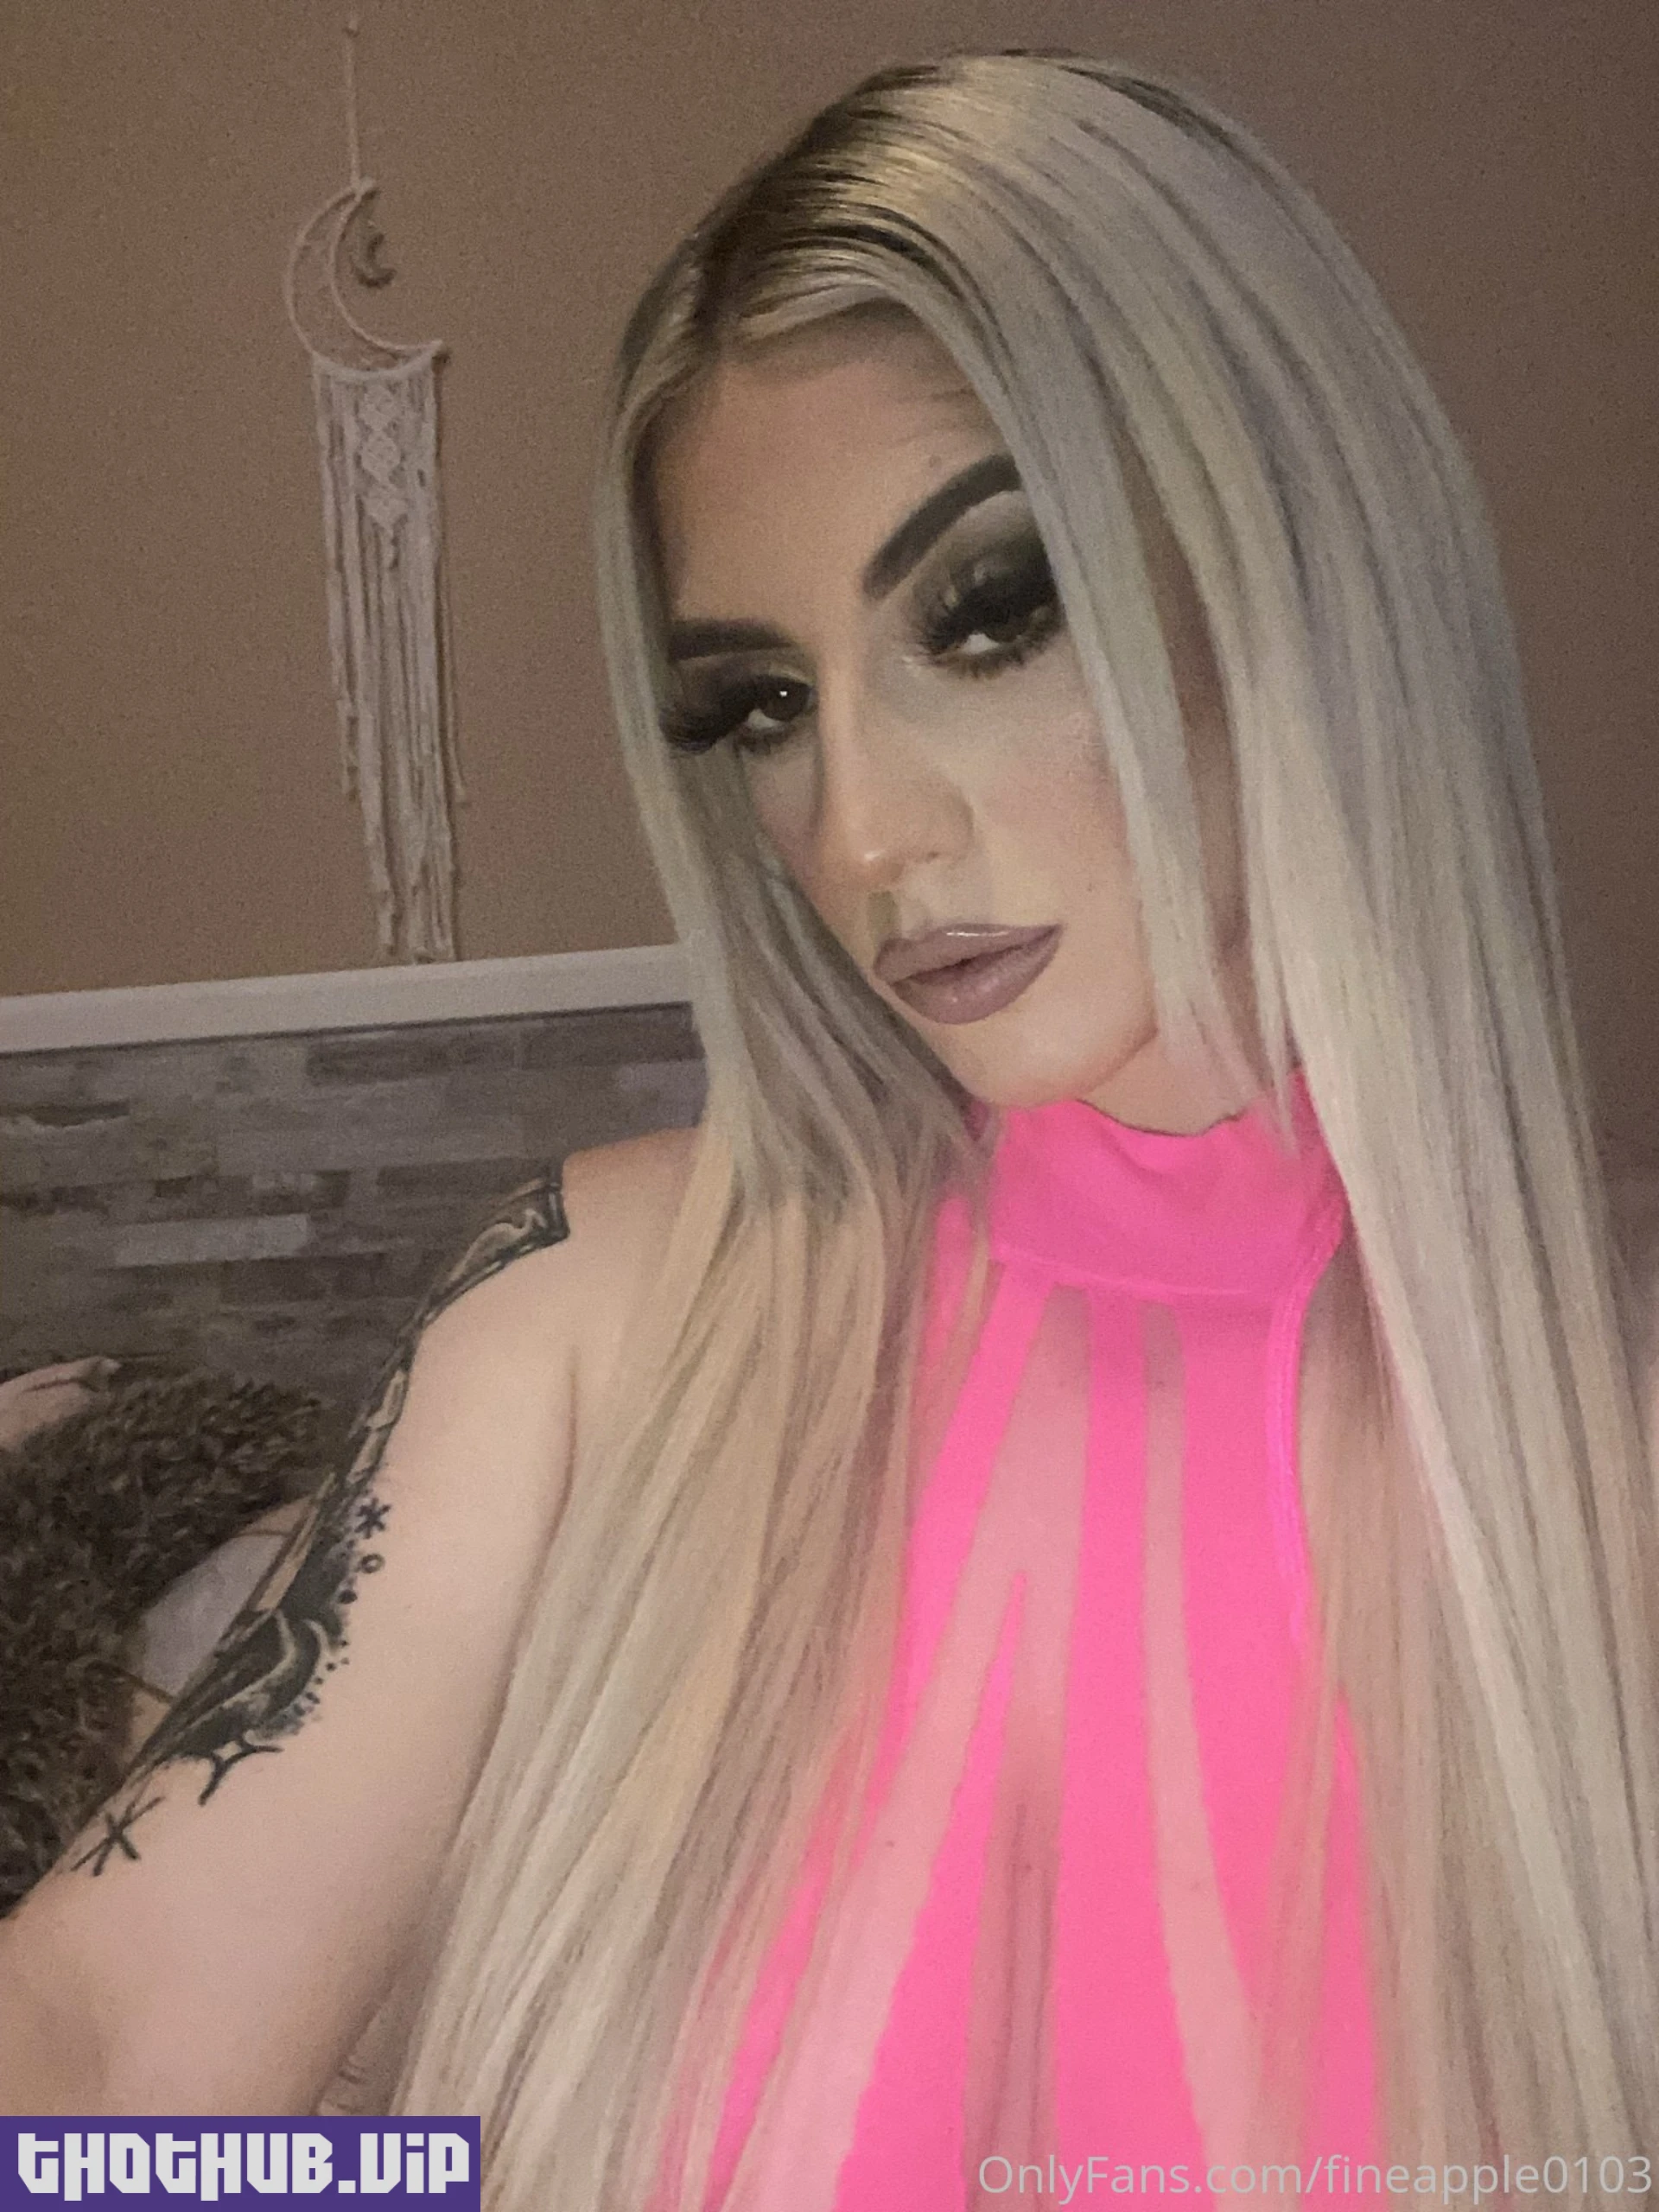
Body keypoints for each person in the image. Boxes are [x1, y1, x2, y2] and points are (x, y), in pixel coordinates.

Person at [3, 47, 1656, 2209]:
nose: (863, 828)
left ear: (1299, 558)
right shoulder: (594, 1318)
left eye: (993, 612)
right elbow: (117, 2054)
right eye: (761, 706)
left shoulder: (1599, 1426)